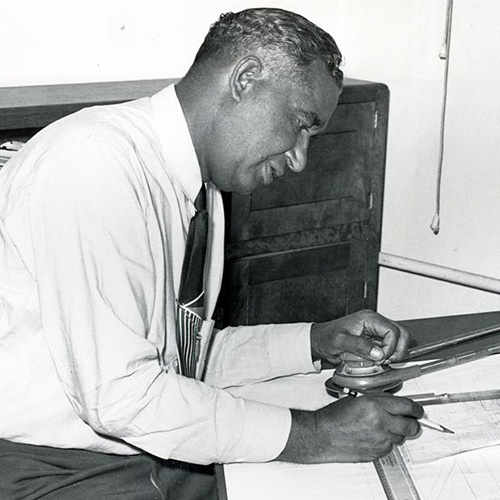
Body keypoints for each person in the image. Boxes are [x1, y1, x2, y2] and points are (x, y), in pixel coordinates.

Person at [0, 7, 423, 500]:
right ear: (245, 79)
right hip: (50, 471)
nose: (300, 157)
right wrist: (315, 434)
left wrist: (314, 342)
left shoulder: (199, 188)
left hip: (136, 453)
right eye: (299, 125)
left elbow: (184, 357)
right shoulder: (92, 164)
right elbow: (121, 398)